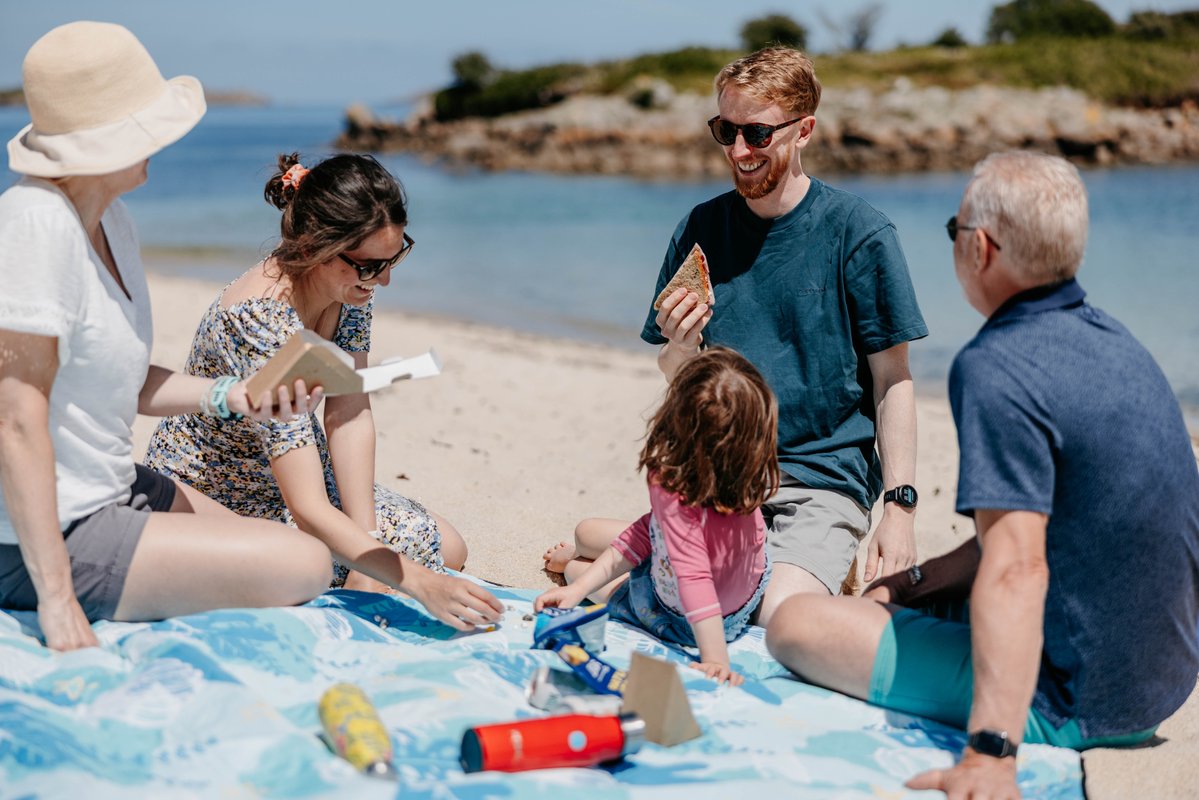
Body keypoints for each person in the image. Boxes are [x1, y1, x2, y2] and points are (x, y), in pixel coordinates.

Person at [766, 151, 1199, 799]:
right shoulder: (1115, 343)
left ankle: (1002, 718)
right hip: (1157, 680)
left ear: (980, 248)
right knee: (887, 601)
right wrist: (913, 583)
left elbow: (1017, 566)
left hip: (1077, 699)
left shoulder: (997, 366)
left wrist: (991, 753)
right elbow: (1040, 526)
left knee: (794, 625)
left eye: (952, 231)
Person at [547, 47, 928, 622]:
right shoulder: (701, 229)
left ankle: (599, 572)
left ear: (804, 130)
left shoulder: (860, 233)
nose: (739, 151)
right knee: (626, 550)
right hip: (719, 476)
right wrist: (680, 347)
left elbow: (892, 380)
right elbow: (683, 380)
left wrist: (899, 509)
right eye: (726, 131)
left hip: (821, 482)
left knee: (779, 615)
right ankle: (612, 563)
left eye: (757, 133)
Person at [0, 21, 337, 653]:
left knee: (286, 546)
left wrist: (235, 395)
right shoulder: (35, 225)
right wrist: (57, 597)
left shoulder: (111, 218)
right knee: (304, 565)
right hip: (41, 530)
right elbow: (15, 419)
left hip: (109, 485)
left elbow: (121, 380)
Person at [144, 151, 503, 629]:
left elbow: (349, 413)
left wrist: (366, 536)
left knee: (447, 549)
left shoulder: (350, 288)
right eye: (372, 265)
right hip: (226, 493)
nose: (386, 279)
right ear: (316, 247)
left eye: (395, 256)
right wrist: (404, 577)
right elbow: (306, 506)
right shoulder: (258, 321)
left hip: (297, 473)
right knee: (362, 570)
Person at [536, 348, 779, 687]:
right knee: (587, 531)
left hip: (686, 619)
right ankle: (576, 558)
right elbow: (648, 531)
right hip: (735, 601)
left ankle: (569, 565)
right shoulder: (745, 480)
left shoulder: (671, 488)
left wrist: (715, 659)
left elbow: (694, 579)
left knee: (580, 563)